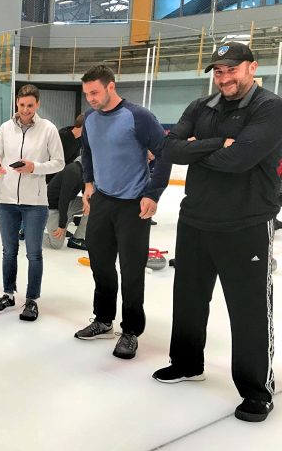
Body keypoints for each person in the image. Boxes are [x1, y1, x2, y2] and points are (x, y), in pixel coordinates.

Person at [153, 42, 282, 423]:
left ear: (252, 68)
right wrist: (215, 144)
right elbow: (169, 149)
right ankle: (187, 363)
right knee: (188, 300)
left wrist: (197, 150)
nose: (224, 78)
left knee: (249, 310)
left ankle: (257, 389)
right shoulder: (201, 106)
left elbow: (239, 159)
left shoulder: (270, 108)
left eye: (232, 69)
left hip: (246, 223)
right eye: (219, 71)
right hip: (195, 219)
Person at [74, 65, 170, 359]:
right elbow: (87, 151)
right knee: (100, 264)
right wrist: (88, 183)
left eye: (95, 92)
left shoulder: (138, 116)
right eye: (87, 94)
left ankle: (130, 331)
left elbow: (165, 152)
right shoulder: (90, 118)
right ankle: (103, 319)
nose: (91, 98)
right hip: (102, 200)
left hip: (133, 204)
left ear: (111, 87)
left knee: (131, 271)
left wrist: (153, 193)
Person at [0, 84, 64, 321]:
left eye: (30, 105)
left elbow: (59, 162)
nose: (25, 110)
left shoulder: (48, 129)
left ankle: (32, 300)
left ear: (37, 104)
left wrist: (35, 167)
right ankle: (8, 294)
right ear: (17, 104)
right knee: (9, 251)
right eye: (22, 105)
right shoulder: (5, 128)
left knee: (34, 254)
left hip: (36, 203)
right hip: (6, 200)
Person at [44, 160, 87, 250]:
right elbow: (63, 199)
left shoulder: (86, 171)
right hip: (52, 208)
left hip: (68, 204)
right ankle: (31, 233)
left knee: (94, 205)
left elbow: (85, 192)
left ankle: (77, 239)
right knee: (56, 244)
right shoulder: (73, 171)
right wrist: (62, 224)